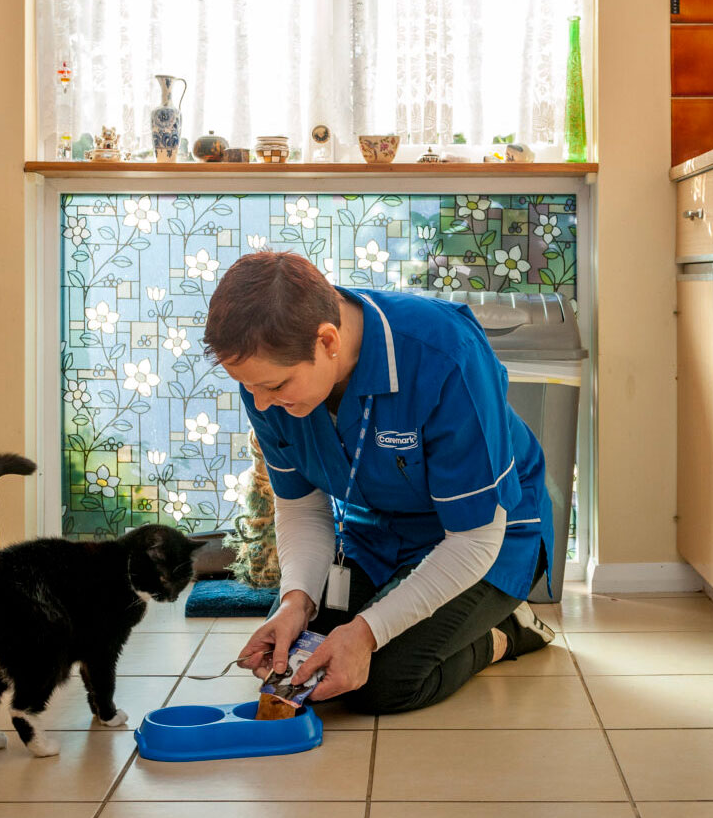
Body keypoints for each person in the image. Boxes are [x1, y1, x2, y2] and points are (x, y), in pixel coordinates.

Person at [202, 250, 558, 714]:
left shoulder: (447, 355)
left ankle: (506, 633)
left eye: (275, 387)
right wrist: (294, 602)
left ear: (328, 341)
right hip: (376, 534)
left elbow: (473, 538)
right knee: (306, 656)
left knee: (383, 683)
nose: (260, 404)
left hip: (490, 537)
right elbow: (302, 506)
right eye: (248, 387)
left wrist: (368, 632)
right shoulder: (267, 379)